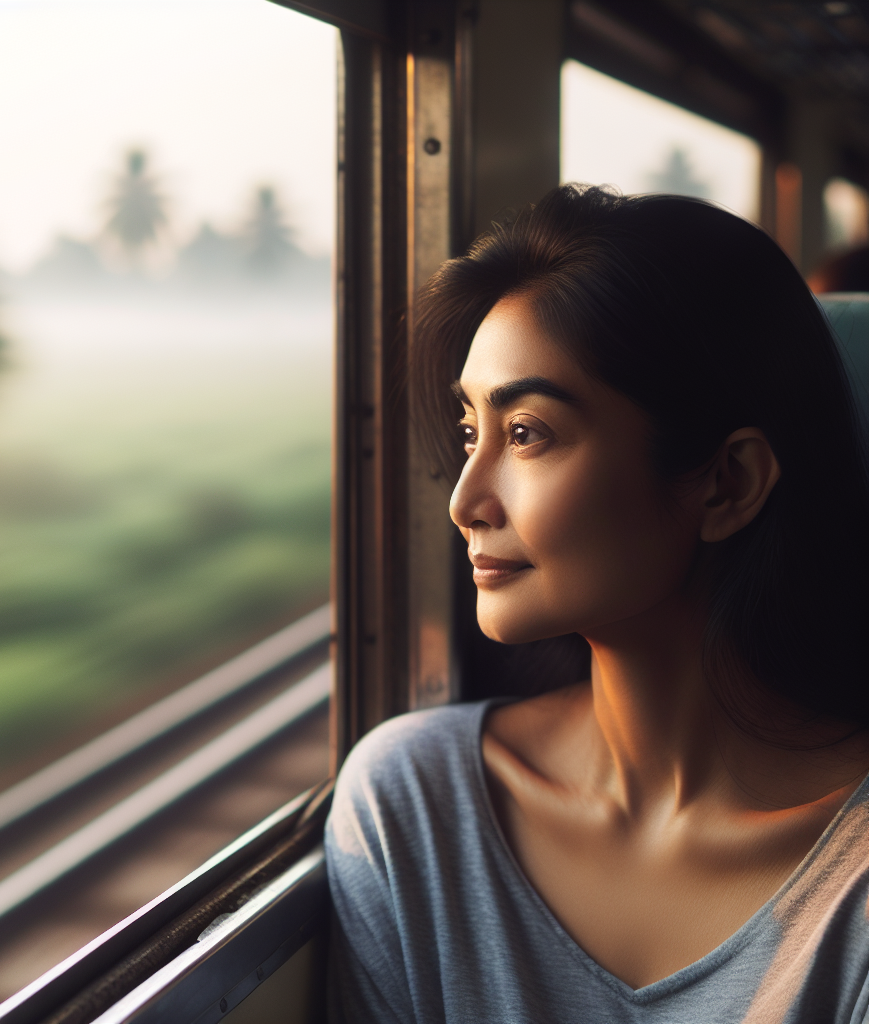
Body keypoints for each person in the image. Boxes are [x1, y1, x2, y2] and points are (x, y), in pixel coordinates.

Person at [325, 185, 869, 1024]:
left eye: (528, 433)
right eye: (471, 432)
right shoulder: (413, 808)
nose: (465, 501)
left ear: (727, 483)